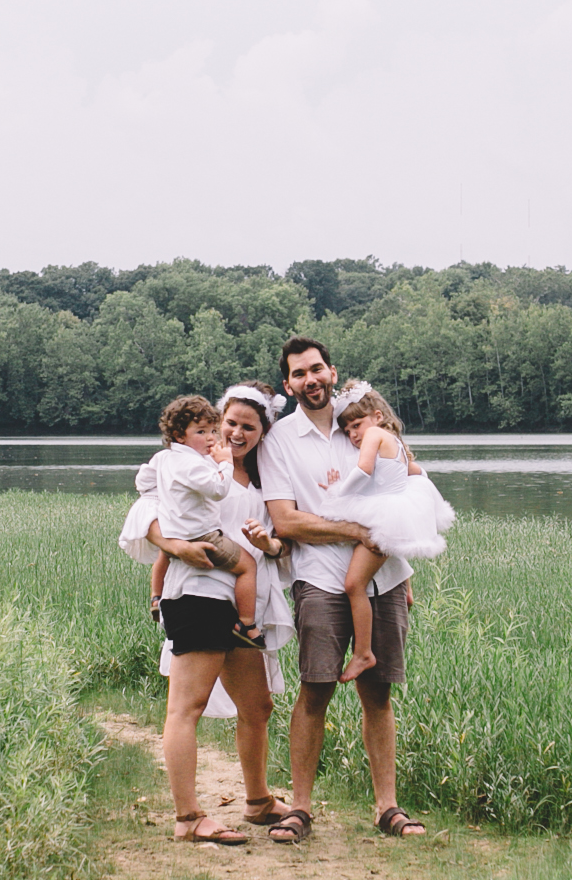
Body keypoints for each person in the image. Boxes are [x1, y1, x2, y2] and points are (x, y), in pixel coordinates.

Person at [259, 336, 430, 842]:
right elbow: (286, 521)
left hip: (387, 577)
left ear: (332, 372)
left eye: (316, 369)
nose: (309, 380)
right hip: (320, 578)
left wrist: (405, 569)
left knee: (378, 694)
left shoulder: (362, 422)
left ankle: (387, 808)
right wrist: (355, 531)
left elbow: (404, 488)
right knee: (315, 689)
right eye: (298, 374)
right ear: (289, 385)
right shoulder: (279, 442)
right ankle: (301, 808)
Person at [118, 385, 291, 843]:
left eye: (245, 427)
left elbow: (280, 542)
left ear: (261, 433)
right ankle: (188, 817)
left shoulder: (265, 479)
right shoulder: (185, 466)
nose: (233, 433)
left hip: (242, 602)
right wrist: (174, 545)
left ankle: (257, 801)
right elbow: (145, 511)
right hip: (197, 592)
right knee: (186, 707)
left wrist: (269, 544)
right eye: (227, 423)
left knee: (257, 706)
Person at [329, 381, 451, 682]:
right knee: (382, 553)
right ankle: (406, 590)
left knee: (354, 585)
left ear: (378, 416)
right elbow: (415, 473)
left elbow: (363, 471)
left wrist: (337, 492)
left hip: (385, 514)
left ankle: (363, 653)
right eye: (347, 431)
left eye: (356, 425)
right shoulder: (395, 443)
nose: (354, 434)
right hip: (394, 510)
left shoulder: (374, 434)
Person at [142, 394, 263, 650]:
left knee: (164, 555)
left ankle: (156, 597)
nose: (211, 437)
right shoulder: (195, 464)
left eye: (212, 430)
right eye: (202, 431)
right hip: (201, 543)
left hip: (175, 531)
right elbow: (218, 490)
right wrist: (225, 465)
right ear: (179, 435)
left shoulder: (166, 458)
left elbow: (143, 481)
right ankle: (246, 623)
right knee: (247, 566)